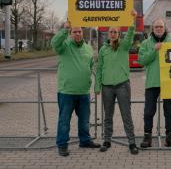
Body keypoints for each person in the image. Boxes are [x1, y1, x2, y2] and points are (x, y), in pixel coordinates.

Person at [51, 22, 100, 157]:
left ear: (82, 32)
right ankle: (62, 144)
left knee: (84, 120)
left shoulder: (88, 48)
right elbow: (54, 43)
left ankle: (84, 141)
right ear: (71, 33)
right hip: (67, 91)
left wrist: (91, 81)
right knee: (64, 120)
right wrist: (64, 30)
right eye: (74, 32)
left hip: (83, 92)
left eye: (79, 31)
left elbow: (91, 65)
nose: (78, 34)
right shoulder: (64, 45)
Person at [95, 10, 139, 155]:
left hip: (122, 86)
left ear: (119, 34)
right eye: (111, 31)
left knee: (126, 115)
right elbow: (99, 68)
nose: (113, 34)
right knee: (108, 115)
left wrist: (133, 20)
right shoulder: (103, 49)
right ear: (108, 34)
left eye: (115, 32)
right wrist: (97, 85)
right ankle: (107, 140)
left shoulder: (124, 46)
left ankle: (132, 142)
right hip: (107, 87)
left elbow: (131, 34)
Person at [138, 18, 171, 148]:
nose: (159, 29)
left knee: (170, 111)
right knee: (149, 111)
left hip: (168, 82)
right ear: (152, 29)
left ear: (165, 28)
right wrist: (154, 50)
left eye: (161, 26)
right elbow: (141, 61)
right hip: (152, 81)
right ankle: (147, 137)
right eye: (156, 27)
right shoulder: (145, 43)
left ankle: (170, 137)